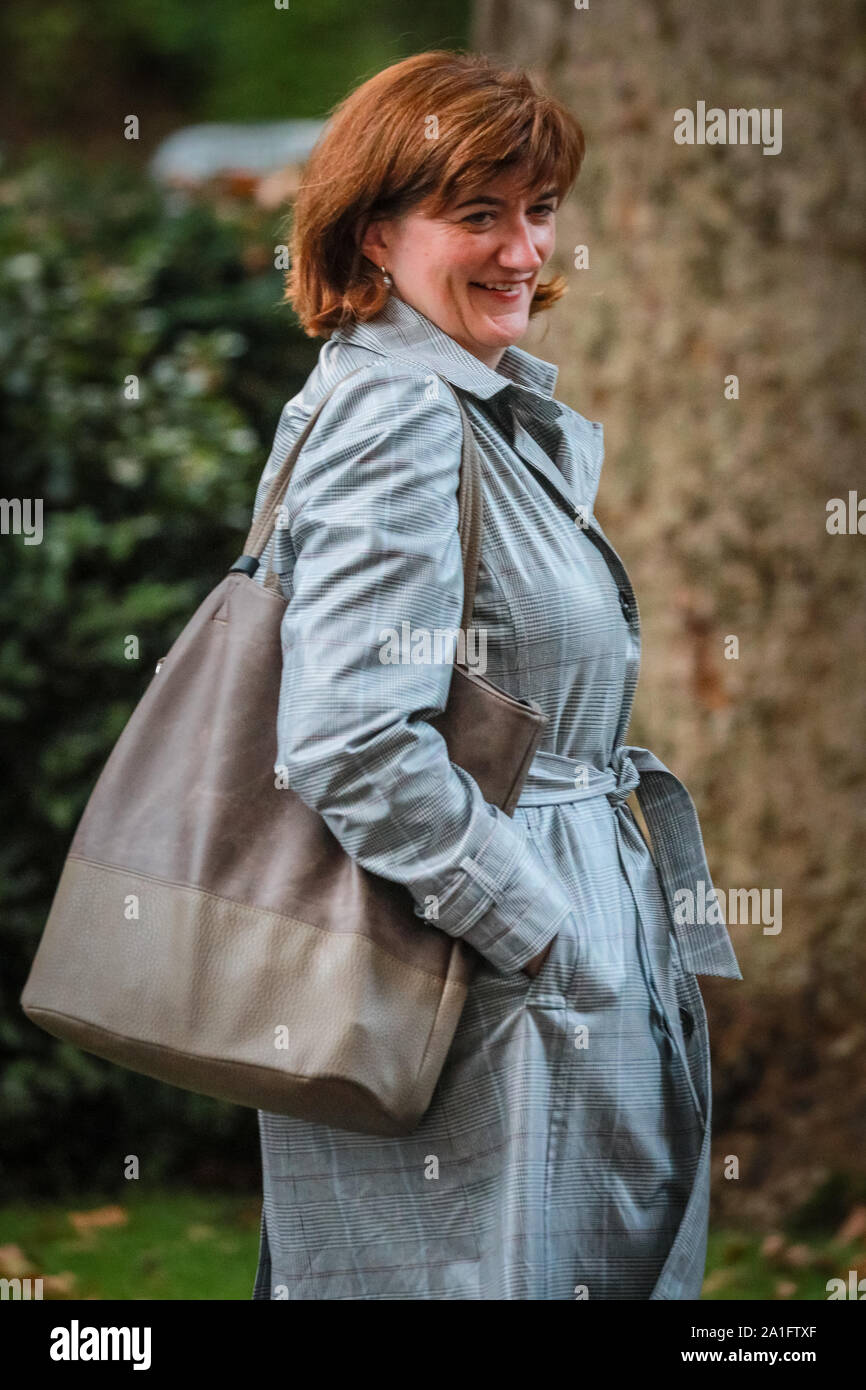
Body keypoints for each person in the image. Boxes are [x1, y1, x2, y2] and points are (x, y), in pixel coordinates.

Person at [248, 49, 741, 1301]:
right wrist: (540, 930)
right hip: (473, 997)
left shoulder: (457, 405)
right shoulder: (400, 415)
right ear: (373, 236)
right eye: (476, 214)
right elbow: (350, 735)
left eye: (537, 209)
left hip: (511, 975)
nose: (523, 250)